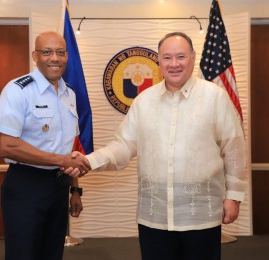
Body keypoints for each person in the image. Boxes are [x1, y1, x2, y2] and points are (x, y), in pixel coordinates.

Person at [69, 32, 247, 260]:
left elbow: (233, 148)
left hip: (200, 216)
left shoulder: (216, 97)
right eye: (167, 57)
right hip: (154, 217)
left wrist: (233, 197)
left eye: (181, 57)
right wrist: (89, 161)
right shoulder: (144, 101)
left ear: (193, 58)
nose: (174, 64)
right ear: (159, 61)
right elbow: (123, 146)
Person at [0, 31, 90, 260]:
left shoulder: (69, 94)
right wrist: (61, 161)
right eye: (47, 52)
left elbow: (69, 149)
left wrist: (74, 190)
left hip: (58, 187)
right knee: (23, 254)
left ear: (67, 57)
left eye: (60, 52)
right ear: (36, 56)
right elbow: (7, 146)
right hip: (26, 186)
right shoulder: (17, 90)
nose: (55, 58)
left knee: (52, 254)